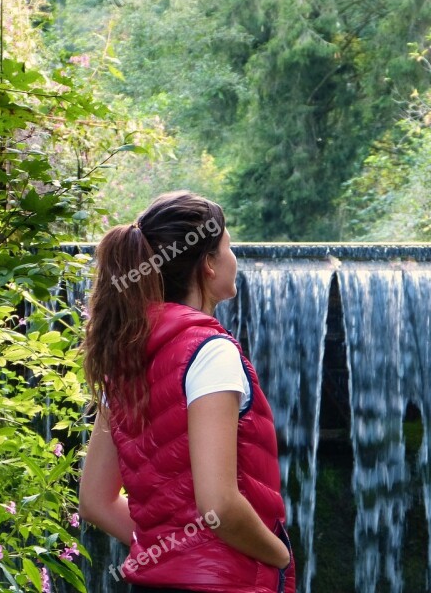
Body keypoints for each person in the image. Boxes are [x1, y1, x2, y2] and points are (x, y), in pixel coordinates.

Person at [79, 191, 295, 593]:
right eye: (228, 247)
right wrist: (279, 556)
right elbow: (218, 506)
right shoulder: (210, 353)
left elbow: (95, 500)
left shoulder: (124, 355)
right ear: (208, 265)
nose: (234, 258)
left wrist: (168, 550)